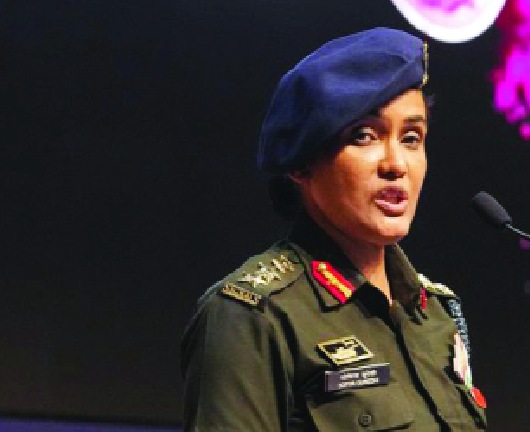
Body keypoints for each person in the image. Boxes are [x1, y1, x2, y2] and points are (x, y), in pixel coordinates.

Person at [181, 28, 487, 431]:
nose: (396, 164)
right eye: (364, 136)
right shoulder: (252, 318)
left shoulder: (437, 313)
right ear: (300, 163)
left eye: (412, 138)